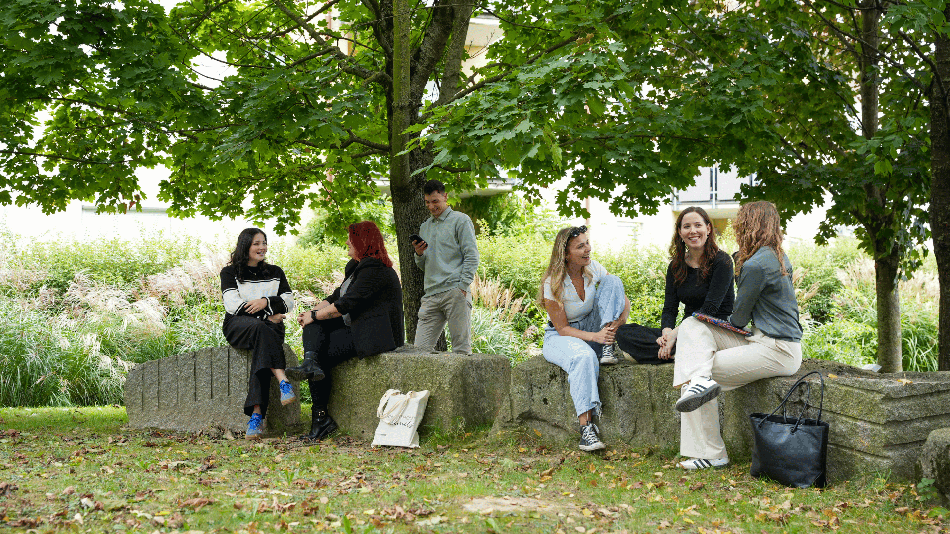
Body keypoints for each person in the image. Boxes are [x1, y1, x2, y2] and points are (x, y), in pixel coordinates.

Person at [673, 201, 803, 470]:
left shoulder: (756, 265)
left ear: (749, 226)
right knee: (691, 325)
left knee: (693, 376)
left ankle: (713, 455)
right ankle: (708, 445)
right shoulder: (775, 254)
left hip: (778, 351)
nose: (736, 226)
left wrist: (737, 268)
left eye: (740, 222)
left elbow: (739, 318)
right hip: (762, 340)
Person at [286, 221, 404, 441]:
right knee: (315, 333)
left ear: (363, 242)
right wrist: (311, 313)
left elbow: (345, 305)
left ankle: (320, 418)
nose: (348, 242)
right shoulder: (356, 267)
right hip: (355, 327)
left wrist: (313, 316)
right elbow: (334, 298)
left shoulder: (376, 271)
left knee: (319, 350)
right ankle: (310, 364)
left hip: (374, 334)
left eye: (352, 238)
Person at [540, 226, 631, 452]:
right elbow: (562, 328)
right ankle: (587, 429)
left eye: (587, 243)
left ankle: (608, 348)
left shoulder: (592, 267)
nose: (587, 249)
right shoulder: (552, 282)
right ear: (566, 253)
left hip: (594, 329)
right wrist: (595, 337)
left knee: (614, 281)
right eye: (580, 246)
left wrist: (615, 327)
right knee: (583, 356)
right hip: (563, 336)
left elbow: (620, 296)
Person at [616, 207, 735, 364]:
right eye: (686, 227)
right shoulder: (676, 265)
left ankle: (673, 351)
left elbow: (709, 310)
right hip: (684, 332)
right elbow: (670, 308)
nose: (693, 231)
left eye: (698, 225)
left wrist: (676, 334)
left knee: (690, 339)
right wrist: (667, 333)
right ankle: (673, 350)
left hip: (713, 328)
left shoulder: (722, 262)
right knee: (624, 331)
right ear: (679, 232)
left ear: (708, 228)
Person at [220, 228, 296, 440]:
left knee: (263, 345)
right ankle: (282, 378)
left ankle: (256, 416)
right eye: (256, 243)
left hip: (268, 330)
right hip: (238, 326)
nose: (262, 247)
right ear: (245, 245)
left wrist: (265, 302)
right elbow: (233, 305)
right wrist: (269, 314)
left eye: (264, 243)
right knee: (263, 330)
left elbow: (289, 303)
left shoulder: (275, 272)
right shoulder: (229, 273)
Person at [412, 179, 479, 354]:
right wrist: (418, 254)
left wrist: (463, 286)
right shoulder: (424, 227)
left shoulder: (460, 220)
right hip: (431, 294)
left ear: (445, 197)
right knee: (419, 351)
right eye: (427, 202)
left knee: (461, 351)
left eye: (435, 201)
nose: (431, 206)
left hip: (455, 292)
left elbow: (472, 256)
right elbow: (423, 265)